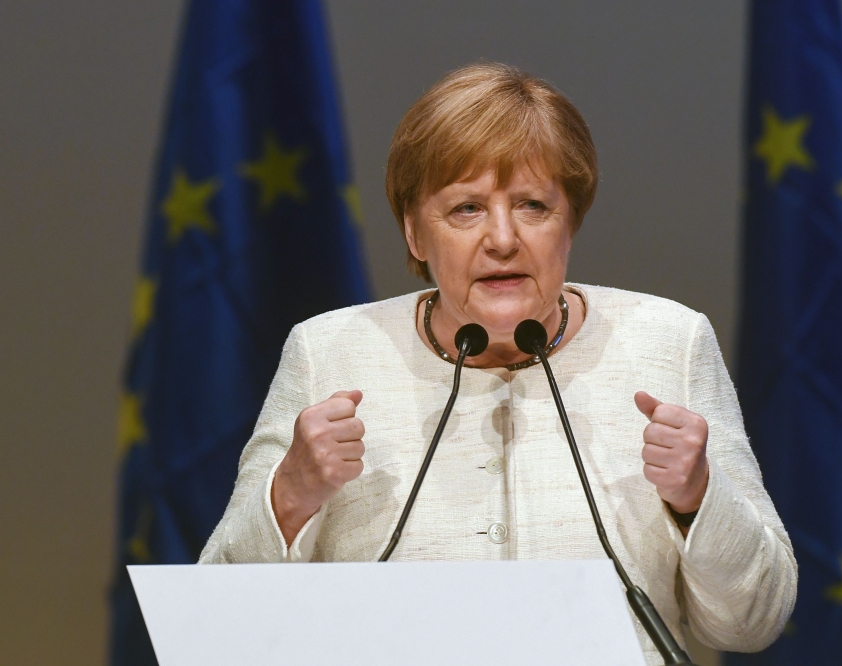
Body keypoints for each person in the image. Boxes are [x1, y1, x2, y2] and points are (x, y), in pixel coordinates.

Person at [200, 62, 796, 661]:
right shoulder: (328, 352)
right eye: (466, 208)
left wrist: (698, 498)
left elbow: (753, 623)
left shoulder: (670, 343)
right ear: (414, 233)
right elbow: (218, 623)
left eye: (533, 205)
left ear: (571, 222)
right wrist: (292, 493)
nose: (504, 239)